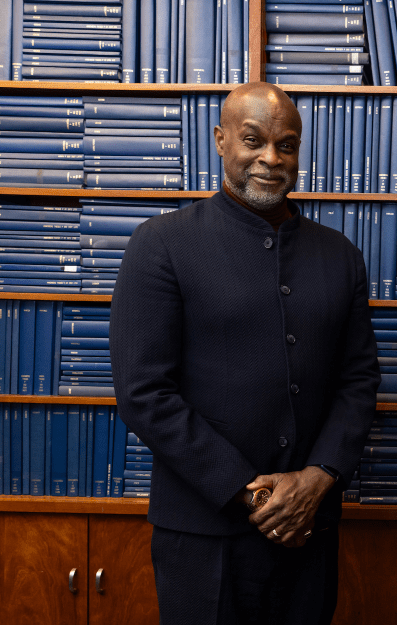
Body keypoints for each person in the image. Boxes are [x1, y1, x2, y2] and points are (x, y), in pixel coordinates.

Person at [110, 82, 380, 625]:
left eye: (286, 145)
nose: (270, 158)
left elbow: (359, 381)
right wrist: (250, 494)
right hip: (202, 532)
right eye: (253, 140)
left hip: (310, 529)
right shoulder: (160, 244)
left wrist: (319, 478)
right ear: (220, 140)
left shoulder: (341, 256)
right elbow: (144, 393)